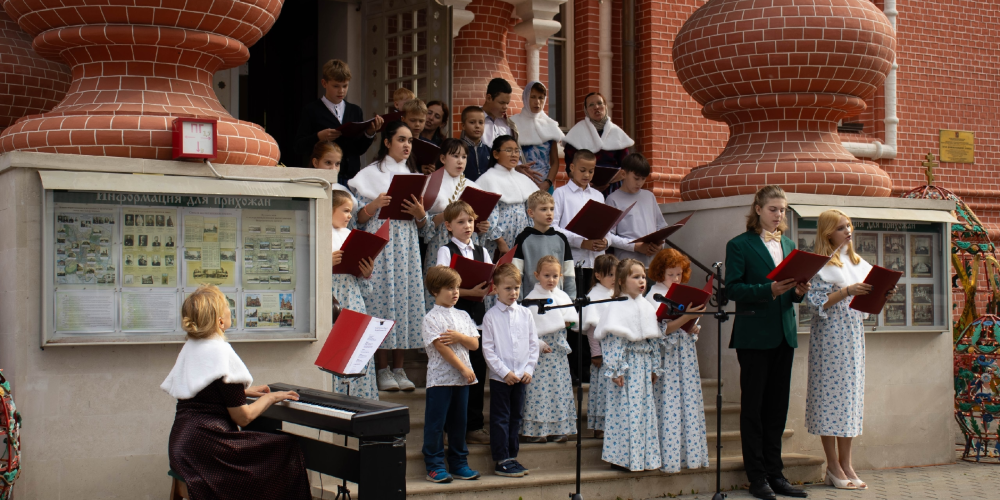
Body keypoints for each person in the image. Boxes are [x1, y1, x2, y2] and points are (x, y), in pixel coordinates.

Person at [161, 285, 311, 500]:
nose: (231, 310)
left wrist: (243, 392)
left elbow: (204, 391)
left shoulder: (192, 346)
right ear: (220, 321)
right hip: (210, 447)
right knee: (286, 447)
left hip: (183, 446)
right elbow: (243, 417)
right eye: (227, 307)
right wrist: (271, 397)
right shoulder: (221, 351)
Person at [725, 185, 810, 500]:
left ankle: (776, 474)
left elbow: (791, 293)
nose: (779, 215)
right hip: (754, 335)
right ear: (758, 209)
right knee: (754, 408)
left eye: (783, 209)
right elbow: (733, 288)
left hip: (784, 333)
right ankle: (756, 477)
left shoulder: (789, 244)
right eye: (773, 209)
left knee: (777, 408)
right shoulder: (739, 245)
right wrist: (767, 291)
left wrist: (798, 292)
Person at [806, 209, 888, 491]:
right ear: (828, 232)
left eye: (849, 226)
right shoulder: (820, 264)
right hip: (830, 336)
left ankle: (848, 463)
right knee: (830, 398)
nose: (848, 231)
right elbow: (815, 303)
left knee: (850, 400)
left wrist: (882, 294)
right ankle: (833, 465)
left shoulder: (856, 261)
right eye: (842, 227)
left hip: (853, 336)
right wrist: (846, 291)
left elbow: (866, 299)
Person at [347, 121, 428, 393]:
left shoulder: (412, 174)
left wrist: (420, 216)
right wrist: (373, 205)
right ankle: (381, 368)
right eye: (401, 139)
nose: (406, 145)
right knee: (383, 300)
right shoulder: (369, 174)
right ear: (387, 142)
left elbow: (422, 225)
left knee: (403, 300)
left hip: (406, 245)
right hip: (381, 242)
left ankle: (399, 368)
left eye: (410, 141)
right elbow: (356, 219)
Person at [433, 200, 493, 446]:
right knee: (455, 373)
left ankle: (474, 425)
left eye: (470, 220)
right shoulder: (446, 250)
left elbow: (489, 280)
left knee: (477, 373)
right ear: (448, 225)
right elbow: (440, 285)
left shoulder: (482, 250)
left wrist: (487, 289)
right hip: (454, 318)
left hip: (476, 321)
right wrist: (468, 291)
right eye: (461, 222)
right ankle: (451, 427)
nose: (467, 226)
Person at [593, 258, 661, 471]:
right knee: (625, 412)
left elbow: (653, 341)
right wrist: (615, 369)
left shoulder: (647, 306)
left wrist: (654, 366)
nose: (642, 281)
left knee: (643, 412)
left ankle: (642, 457)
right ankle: (623, 458)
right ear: (621, 281)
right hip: (626, 367)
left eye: (643, 277)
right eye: (636, 277)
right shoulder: (616, 306)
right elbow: (612, 341)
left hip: (642, 365)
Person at [645, 249, 709, 473]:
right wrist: (687, 317)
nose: (676, 279)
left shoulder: (681, 293)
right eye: (671, 274)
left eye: (679, 274)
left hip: (685, 354)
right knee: (668, 402)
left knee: (687, 401)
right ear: (660, 273)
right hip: (666, 357)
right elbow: (660, 330)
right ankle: (667, 456)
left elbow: (684, 326)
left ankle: (687, 455)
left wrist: (692, 325)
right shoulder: (654, 296)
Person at [421, 266, 483, 483]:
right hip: (440, 380)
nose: (455, 292)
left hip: (462, 381)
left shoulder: (463, 315)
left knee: (459, 423)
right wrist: (464, 368)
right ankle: (434, 465)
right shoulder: (431, 318)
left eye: (457, 287)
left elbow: (474, 344)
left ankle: (459, 463)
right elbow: (441, 347)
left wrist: (459, 337)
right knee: (436, 423)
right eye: (449, 288)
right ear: (435, 291)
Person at [482, 263, 539, 478]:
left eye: (516, 288)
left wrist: (529, 370)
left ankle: (512, 456)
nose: (513, 293)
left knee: (516, 416)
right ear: (495, 288)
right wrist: (504, 372)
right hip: (501, 378)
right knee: (500, 418)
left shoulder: (525, 314)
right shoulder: (491, 317)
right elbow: (488, 350)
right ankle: (501, 459)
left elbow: (533, 345)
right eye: (507, 288)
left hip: (521, 377)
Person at [423, 140, 493, 310]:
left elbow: (477, 219)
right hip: (441, 239)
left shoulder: (473, 186)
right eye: (455, 156)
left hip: (468, 240)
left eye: (464, 156)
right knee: (443, 283)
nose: (460, 161)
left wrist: (481, 227)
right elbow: (422, 224)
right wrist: (446, 216)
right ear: (442, 158)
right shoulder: (430, 183)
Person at [521, 255, 579, 443]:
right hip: (540, 354)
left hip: (558, 352)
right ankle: (536, 430)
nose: (551, 280)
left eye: (555, 276)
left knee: (558, 388)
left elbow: (570, 322)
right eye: (547, 275)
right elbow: (528, 328)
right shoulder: (531, 299)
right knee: (540, 391)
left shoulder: (562, 296)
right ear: (537, 275)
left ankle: (557, 428)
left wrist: (567, 324)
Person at [294, 59, 381, 184]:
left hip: (352, 177)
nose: (341, 91)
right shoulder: (311, 110)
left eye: (345, 86)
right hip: (323, 177)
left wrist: (369, 133)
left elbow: (358, 149)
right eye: (336, 86)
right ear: (324, 83)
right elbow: (298, 146)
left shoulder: (355, 111)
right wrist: (319, 136)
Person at [329, 189, 378, 399]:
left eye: (351, 211)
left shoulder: (350, 235)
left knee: (357, 348)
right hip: (331, 300)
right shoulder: (318, 234)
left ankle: (359, 398)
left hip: (353, 298)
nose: (350, 216)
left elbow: (365, 289)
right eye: (345, 210)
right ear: (328, 210)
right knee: (334, 351)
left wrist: (366, 273)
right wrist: (325, 263)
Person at [477, 135, 538, 260]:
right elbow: (488, 217)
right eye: (509, 150)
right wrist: (500, 241)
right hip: (499, 242)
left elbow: (531, 212)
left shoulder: (523, 178)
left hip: (522, 238)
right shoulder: (488, 179)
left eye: (516, 151)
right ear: (496, 154)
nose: (514, 154)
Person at [562, 92, 634, 195]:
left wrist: (610, 181)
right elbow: (570, 167)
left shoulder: (617, 133)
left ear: (605, 106)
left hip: (613, 189)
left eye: (599, 103)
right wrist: (587, 183)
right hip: (584, 188)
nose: (596, 107)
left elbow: (626, 167)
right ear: (586, 110)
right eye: (591, 105)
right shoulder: (576, 133)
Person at [511, 190, 576, 298]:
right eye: (543, 209)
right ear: (531, 213)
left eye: (551, 209)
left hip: (558, 300)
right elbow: (517, 273)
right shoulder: (523, 238)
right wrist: (519, 302)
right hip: (531, 299)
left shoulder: (561, 239)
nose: (549, 213)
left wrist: (571, 300)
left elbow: (568, 273)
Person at [607, 153, 667, 267]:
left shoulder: (649, 196)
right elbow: (608, 236)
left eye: (643, 179)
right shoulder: (612, 199)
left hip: (653, 265)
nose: (639, 183)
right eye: (636, 178)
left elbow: (662, 227)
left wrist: (660, 245)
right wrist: (635, 246)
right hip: (627, 266)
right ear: (623, 174)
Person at [583, 254, 618, 436]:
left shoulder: (617, 294)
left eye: (616, 275)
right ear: (598, 275)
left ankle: (613, 424)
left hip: (617, 350)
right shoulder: (595, 296)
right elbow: (591, 328)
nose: (614, 279)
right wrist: (596, 353)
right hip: (603, 352)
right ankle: (600, 426)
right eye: (609, 275)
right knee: (603, 390)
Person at [510, 81, 564, 193]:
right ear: (525, 98)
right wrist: (516, 168)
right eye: (533, 97)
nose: (537, 102)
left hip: (545, 186)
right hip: (520, 185)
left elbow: (554, 161)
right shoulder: (513, 124)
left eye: (541, 97)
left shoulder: (550, 125)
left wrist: (547, 182)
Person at [402, 98, 437, 174]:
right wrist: (418, 169)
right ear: (403, 119)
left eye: (421, 121)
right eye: (413, 120)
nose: (417, 124)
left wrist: (432, 168)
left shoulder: (430, 145)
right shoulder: (398, 143)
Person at [481, 78, 519, 147]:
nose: (505, 107)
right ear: (489, 98)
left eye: (507, 103)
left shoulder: (508, 124)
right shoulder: (473, 121)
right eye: (502, 103)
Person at [460, 106, 491, 182]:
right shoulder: (456, 149)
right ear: (463, 126)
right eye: (472, 122)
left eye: (481, 122)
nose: (477, 126)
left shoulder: (489, 151)